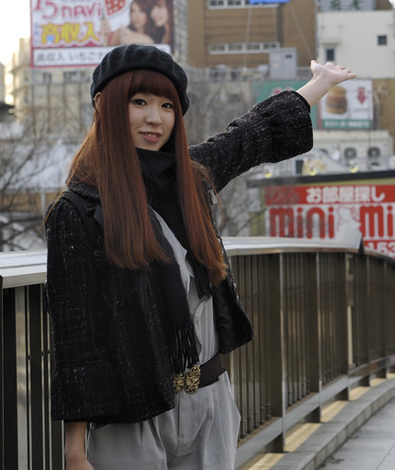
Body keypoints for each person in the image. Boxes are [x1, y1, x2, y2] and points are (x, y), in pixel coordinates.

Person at [44, 44, 355, 469]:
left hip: (209, 398)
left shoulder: (190, 178)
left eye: (167, 106)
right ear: (105, 106)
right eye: (139, 102)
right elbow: (77, 336)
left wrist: (318, 84)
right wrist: (74, 449)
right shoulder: (78, 209)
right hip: (133, 414)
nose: (155, 118)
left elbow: (248, 136)